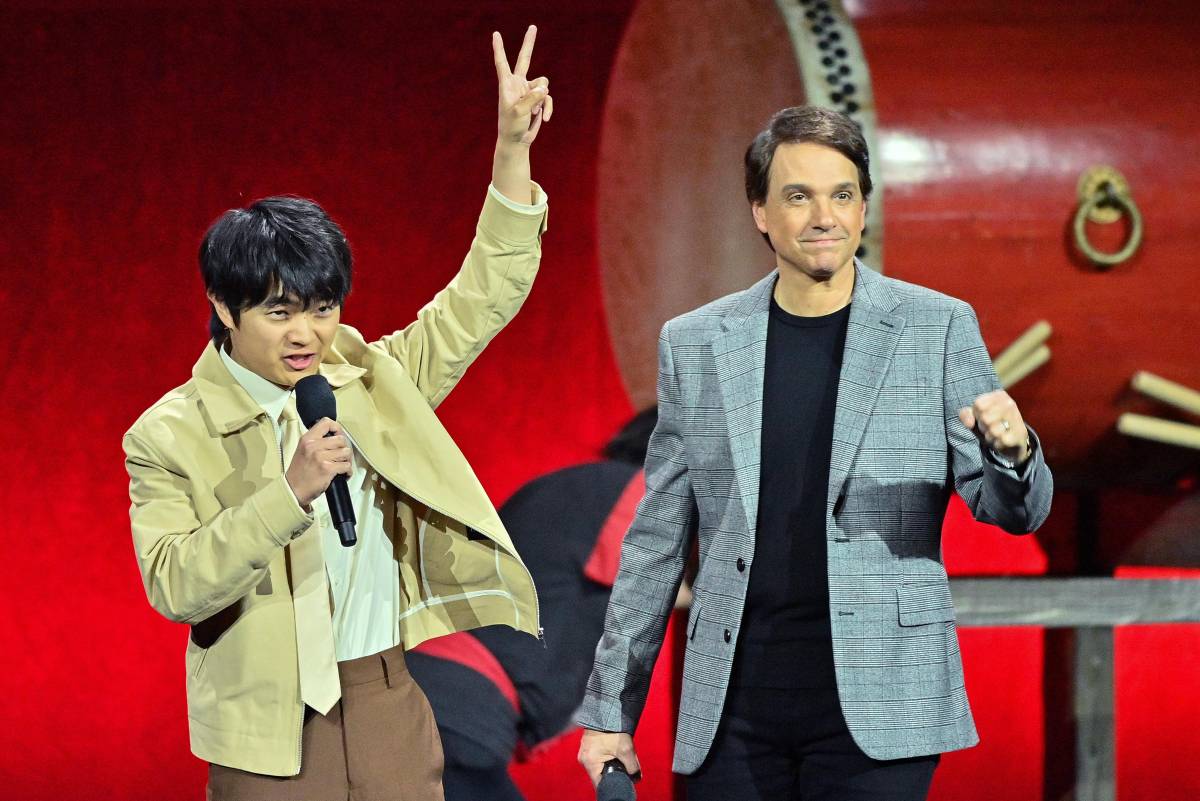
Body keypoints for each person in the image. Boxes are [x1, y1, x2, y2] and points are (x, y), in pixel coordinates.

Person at [123, 27, 552, 801]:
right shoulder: (168, 434)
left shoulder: (368, 381)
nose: (307, 334)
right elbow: (176, 584)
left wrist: (511, 155)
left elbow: (480, 297)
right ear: (222, 304)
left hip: (385, 700)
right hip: (268, 729)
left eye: (323, 309)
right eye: (280, 312)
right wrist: (287, 493)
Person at [575, 106, 1054, 801]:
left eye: (842, 194)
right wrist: (610, 712)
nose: (824, 216)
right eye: (798, 196)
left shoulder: (937, 327)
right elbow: (656, 540)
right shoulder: (697, 341)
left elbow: (1013, 512)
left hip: (884, 696)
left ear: (863, 208)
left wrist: (1013, 452)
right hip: (731, 704)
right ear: (761, 213)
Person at [407, 409, 696, 801]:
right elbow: (673, 582)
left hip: (436, 695)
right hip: (459, 709)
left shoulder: (574, 488)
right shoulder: (638, 492)